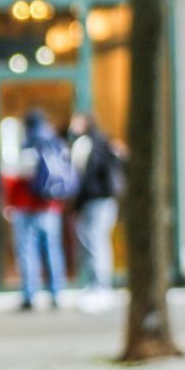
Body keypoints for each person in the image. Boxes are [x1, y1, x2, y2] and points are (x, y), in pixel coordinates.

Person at [1, 110, 72, 311]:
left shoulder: (29, 143)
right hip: (50, 206)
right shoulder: (55, 143)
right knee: (52, 250)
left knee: (27, 252)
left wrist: (9, 201)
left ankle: (29, 294)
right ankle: (56, 292)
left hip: (26, 206)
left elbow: (17, 175)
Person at [68, 112, 125, 312]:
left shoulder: (92, 145)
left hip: (98, 201)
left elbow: (87, 178)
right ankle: (96, 284)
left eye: (76, 122)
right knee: (93, 241)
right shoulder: (99, 143)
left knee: (96, 242)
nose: (73, 126)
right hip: (98, 201)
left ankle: (101, 286)